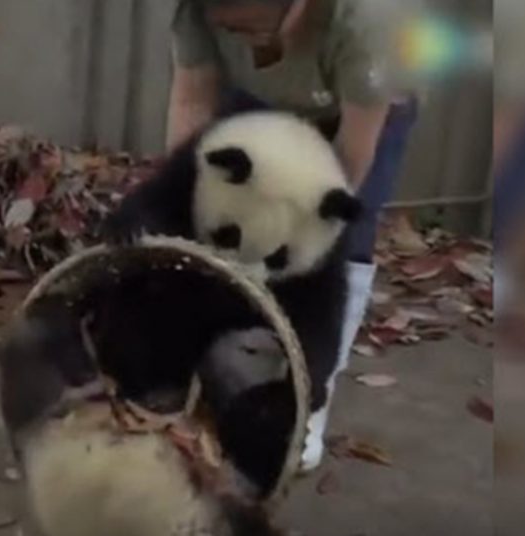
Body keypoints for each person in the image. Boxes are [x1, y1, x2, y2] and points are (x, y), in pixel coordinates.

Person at [167, 0, 420, 469]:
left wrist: (305, 235)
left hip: (360, 112)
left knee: (342, 244)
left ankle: (310, 400)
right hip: (260, 98)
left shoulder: (365, 22)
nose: (221, 24)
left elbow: (348, 160)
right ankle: (216, 368)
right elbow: (192, 101)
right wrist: (184, 198)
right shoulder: (198, 10)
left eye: (236, 17)